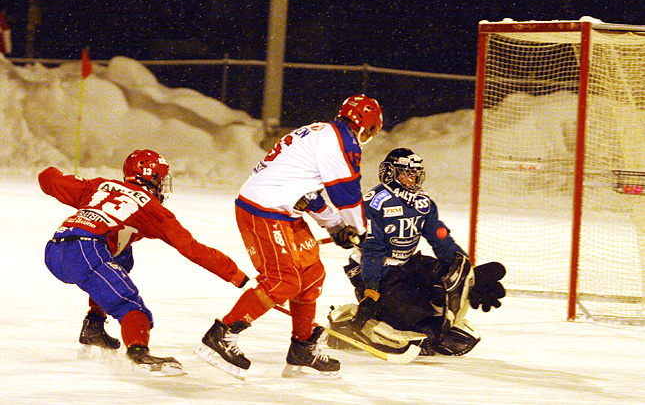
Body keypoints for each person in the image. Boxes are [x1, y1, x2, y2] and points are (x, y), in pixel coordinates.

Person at [195, 94, 383, 379]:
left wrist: (334, 227)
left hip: (279, 210)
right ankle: (222, 334)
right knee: (283, 280)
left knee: (312, 273)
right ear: (367, 126)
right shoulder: (342, 140)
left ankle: (302, 348)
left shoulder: (321, 132)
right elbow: (346, 194)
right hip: (264, 211)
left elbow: (308, 195)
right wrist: (359, 232)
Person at [40, 149, 249, 375]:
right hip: (87, 252)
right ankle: (139, 352)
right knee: (130, 305)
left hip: (55, 249)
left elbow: (48, 179)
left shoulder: (99, 185)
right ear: (154, 178)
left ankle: (94, 324)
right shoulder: (151, 208)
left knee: (122, 257)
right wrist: (235, 275)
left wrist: (59, 174)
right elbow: (191, 248)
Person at [327, 148, 506, 357]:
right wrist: (371, 290)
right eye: (407, 173)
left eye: (415, 174)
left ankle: (437, 312)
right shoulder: (374, 202)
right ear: (390, 173)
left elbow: (441, 241)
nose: (412, 179)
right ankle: (362, 320)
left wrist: (467, 274)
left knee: (447, 281)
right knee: (415, 319)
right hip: (375, 271)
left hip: (408, 264)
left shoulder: (423, 203)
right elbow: (372, 252)